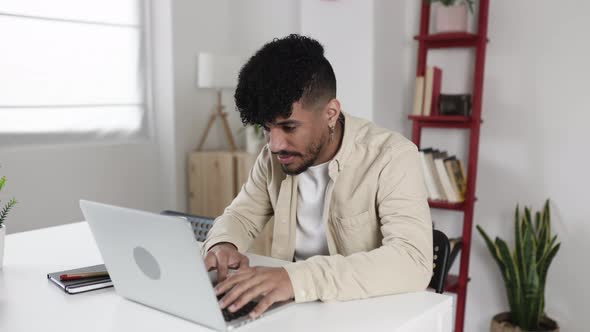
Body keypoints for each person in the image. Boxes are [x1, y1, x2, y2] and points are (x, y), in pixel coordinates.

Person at [202, 34, 432, 319]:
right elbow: (241, 216)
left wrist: (295, 279)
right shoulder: (273, 158)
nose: (275, 145)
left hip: (364, 313)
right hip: (295, 312)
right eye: (267, 128)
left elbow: (412, 261)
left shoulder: (391, 156)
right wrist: (224, 244)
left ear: (331, 113)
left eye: (289, 127)